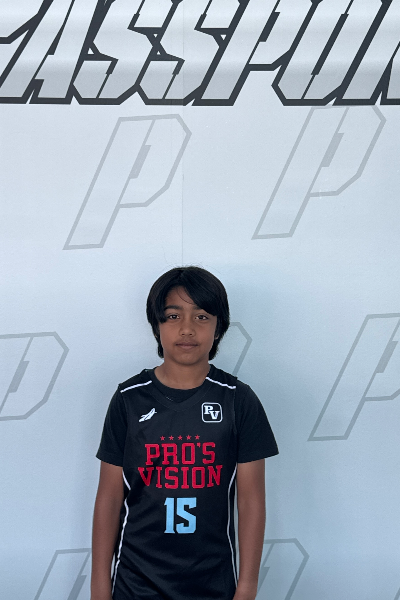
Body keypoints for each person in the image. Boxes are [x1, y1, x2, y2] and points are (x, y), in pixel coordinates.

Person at [91, 266, 278, 600]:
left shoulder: (238, 400)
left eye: (202, 317)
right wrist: (99, 588)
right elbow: (109, 497)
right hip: (135, 584)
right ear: (157, 325)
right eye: (173, 316)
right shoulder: (128, 399)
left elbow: (251, 500)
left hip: (213, 583)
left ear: (219, 327)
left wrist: (247, 587)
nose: (187, 329)